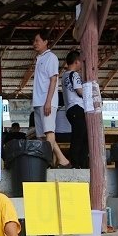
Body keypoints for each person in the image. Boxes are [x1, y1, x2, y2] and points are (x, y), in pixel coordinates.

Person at [32, 30, 70, 168]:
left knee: (49, 132)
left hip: (46, 101)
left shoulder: (51, 57)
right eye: (34, 41)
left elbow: (53, 79)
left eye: (37, 40)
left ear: (45, 42)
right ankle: (62, 160)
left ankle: (47, 161)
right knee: (41, 135)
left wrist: (48, 101)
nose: (34, 43)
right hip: (38, 101)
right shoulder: (39, 58)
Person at [62, 49, 88, 168]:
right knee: (80, 137)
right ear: (77, 62)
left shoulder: (64, 76)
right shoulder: (75, 74)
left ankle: (77, 162)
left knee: (78, 135)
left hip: (70, 109)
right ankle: (77, 163)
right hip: (77, 107)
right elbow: (79, 90)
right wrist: (90, 96)